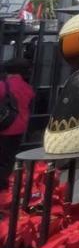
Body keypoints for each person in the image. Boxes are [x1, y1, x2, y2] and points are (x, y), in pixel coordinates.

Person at [0, 58, 34, 191]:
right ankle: (3, 188)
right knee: (7, 161)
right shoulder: (27, 87)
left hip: (3, 128)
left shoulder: (4, 85)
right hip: (18, 129)